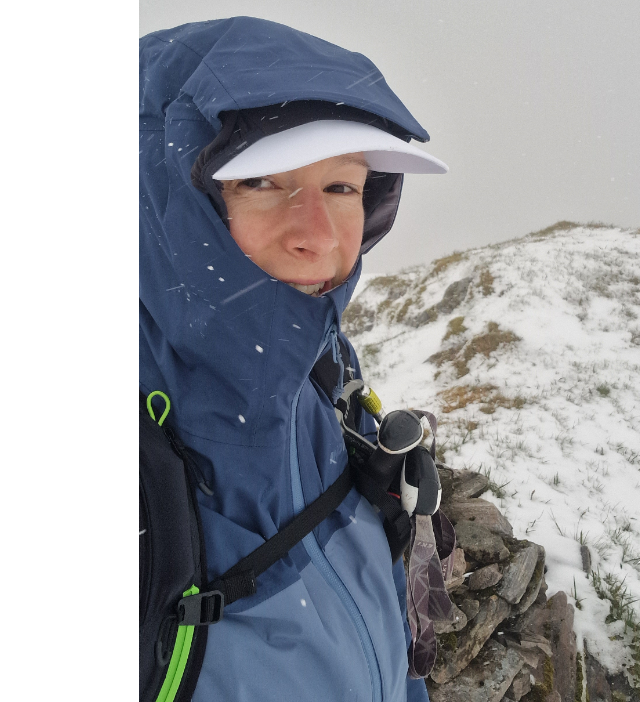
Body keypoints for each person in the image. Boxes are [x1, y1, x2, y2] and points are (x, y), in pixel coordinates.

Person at [139, 16, 447, 702]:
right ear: (171, 201)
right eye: (264, 183)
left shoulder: (324, 370)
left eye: (343, 188)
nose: (319, 235)